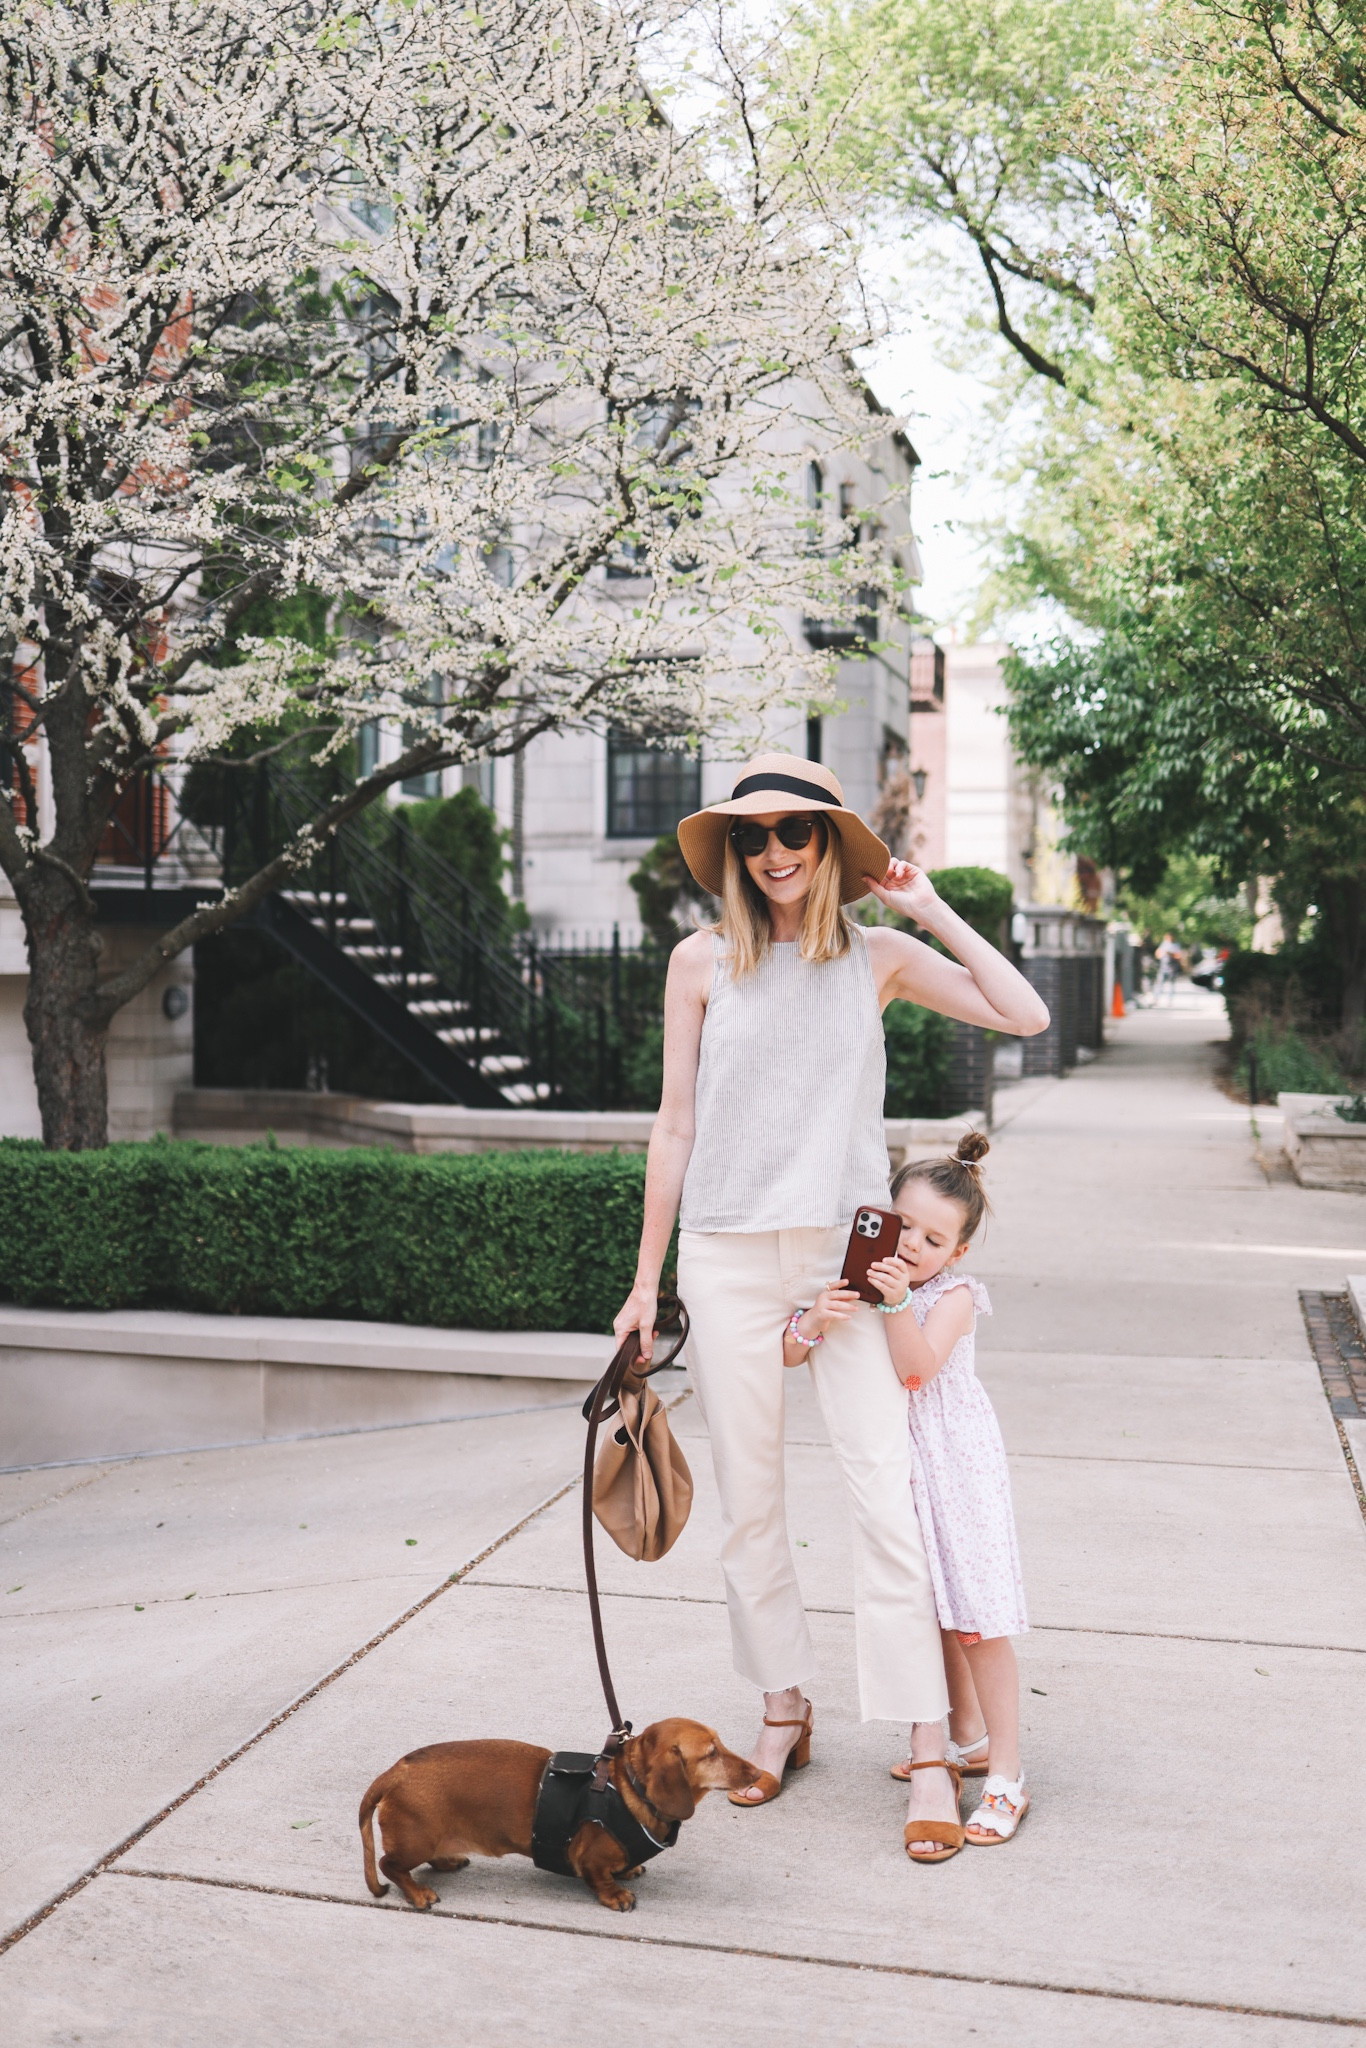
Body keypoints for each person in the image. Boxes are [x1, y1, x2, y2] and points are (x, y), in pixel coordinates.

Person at [613, 753, 1049, 1860]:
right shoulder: (700, 961)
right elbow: (673, 1125)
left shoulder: (879, 956)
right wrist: (642, 1282)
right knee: (749, 1499)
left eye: (795, 833)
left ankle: (921, 1744)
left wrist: (931, 903)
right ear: (730, 855)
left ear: (830, 842)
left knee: (884, 1499)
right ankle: (783, 1707)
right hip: (722, 1250)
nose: (774, 854)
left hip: (848, 1262)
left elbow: (1026, 1012)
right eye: (751, 839)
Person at [785, 1133, 1029, 1861]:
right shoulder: (865, 1281)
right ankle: (965, 1741)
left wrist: (894, 1307)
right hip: (908, 1470)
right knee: (935, 1607)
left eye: (935, 1237)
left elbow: (919, 1372)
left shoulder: (952, 1296)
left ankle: (1009, 1773)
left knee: (979, 1620)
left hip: (958, 1468)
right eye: (906, 1226)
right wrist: (820, 1317)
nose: (916, 1245)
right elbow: (791, 1352)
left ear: (956, 1252)